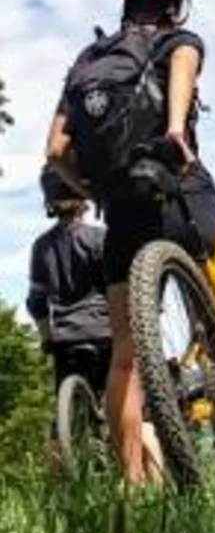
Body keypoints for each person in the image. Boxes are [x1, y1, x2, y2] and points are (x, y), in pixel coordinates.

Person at [44, 0, 215, 485]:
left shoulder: (87, 62)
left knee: (124, 354)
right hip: (179, 194)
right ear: (177, 3)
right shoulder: (178, 41)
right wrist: (175, 130)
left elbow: (55, 152)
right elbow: (181, 83)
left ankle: (132, 486)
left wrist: (93, 188)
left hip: (121, 214)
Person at [27, 165, 111, 445]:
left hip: (66, 341)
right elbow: (116, 290)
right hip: (105, 334)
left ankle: (62, 468)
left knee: (65, 421)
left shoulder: (41, 246)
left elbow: (36, 302)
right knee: (133, 407)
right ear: (82, 198)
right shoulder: (100, 238)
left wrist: (46, 339)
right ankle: (143, 469)